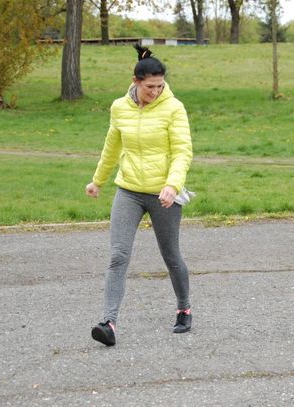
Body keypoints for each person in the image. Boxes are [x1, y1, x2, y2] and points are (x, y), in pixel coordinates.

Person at [85, 44, 193, 346]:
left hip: (164, 194)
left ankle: (184, 307)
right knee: (118, 255)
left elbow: (183, 151)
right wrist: (98, 181)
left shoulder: (174, 108)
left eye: (160, 86)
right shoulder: (119, 107)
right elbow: (112, 146)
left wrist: (172, 184)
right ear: (136, 82)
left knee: (171, 256)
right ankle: (108, 322)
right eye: (150, 87)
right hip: (129, 191)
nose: (156, 91)